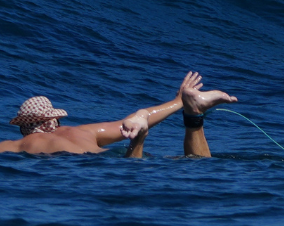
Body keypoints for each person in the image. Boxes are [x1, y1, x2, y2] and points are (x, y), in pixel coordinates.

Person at [1, 72, 239, 157]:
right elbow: (126, 125)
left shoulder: (13, 145)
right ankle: (193, 114)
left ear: (25, 126)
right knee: (195, 164)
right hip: (102, 157)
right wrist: (177, 101)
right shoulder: (81, 131)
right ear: (52, 120)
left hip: (86, 170)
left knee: (133, 162)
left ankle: (138, 144)